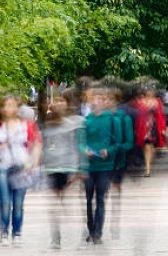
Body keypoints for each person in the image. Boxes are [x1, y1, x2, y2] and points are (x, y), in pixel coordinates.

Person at [43, 89, 85, 249]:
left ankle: (82, 232)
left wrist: (75, 170)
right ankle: (56, 237)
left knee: (68, 203)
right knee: (54, 205)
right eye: (57, 101)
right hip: (53, 168)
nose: (59, 104)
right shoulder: (49, 124)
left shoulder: (72, 124)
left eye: (63, 101)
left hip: (68, 167)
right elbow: (45, 147)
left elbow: (74, 147)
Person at [0, 94, 42, 247]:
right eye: (5, 105)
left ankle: (17, 232)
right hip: (3, 167)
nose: (7, 108)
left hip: (21, 167)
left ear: (17, 107)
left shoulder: (27, 125)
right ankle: (3, 232)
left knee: (18, 203)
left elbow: (36, 143)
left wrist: (33, 163)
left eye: (11, 104)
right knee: (4, 202)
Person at [83, 86, 122, 245]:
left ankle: (98, 232)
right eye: (94, 99)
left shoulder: (113, 120)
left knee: (100, 198)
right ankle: (91, 228)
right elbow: (80, 142)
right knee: (88, 199)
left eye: (100, 99)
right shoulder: (87, 120)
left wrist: (109, 150)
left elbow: (118, 142)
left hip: (105, 166)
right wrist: (84, 150)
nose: (96, 102)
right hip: (89, 165)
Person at [107, 85, 134, 240]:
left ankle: (114, 223)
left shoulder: (124, 118)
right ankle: (97, 225)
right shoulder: (98, 117)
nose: (106, 102)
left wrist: (117, 147)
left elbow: (129, 142)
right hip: (101, 162)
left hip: (118, 161)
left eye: (110, 99)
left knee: (115, 193)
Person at [130, 82, 167, 177]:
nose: (149, 93)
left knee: (150, 146)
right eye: (147, 91)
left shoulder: (157, 102)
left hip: (153, 127)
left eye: (151, 91)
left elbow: (161, 116)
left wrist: (163, 128)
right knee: (146, 147)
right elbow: (135, 114)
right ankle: (148, 168)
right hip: (142, 128)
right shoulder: (140, 101)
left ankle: (148, 168)